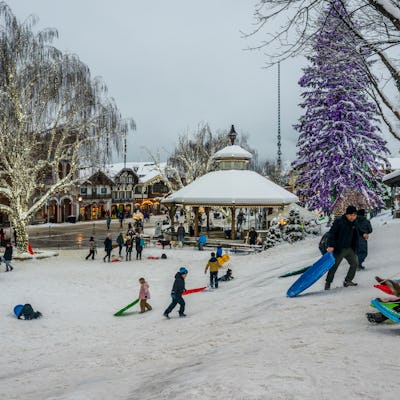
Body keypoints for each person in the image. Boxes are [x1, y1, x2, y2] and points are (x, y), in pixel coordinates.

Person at [324, 205, 359, 290]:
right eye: (350, 215)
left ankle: (348, 280)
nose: (352, 217)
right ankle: (328, 283)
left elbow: (355, 235)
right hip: (339, 248)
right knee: (334, 266)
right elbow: (331, 234)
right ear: (347, 214)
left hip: (349, 248)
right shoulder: (339, 221)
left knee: (354, 263)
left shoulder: (354, 223)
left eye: (354, 215)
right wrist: (331, 245)